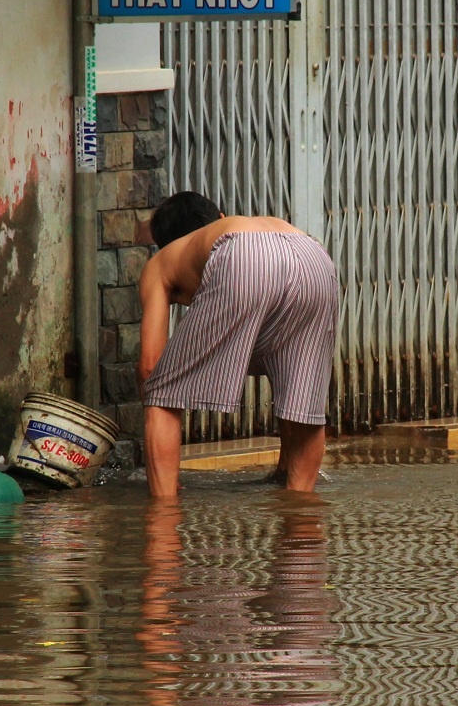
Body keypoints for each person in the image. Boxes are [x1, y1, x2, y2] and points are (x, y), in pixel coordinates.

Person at [138, 192, 340, 502]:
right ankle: (300, 515)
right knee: (302, 405)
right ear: (218, 216)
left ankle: (163, 518)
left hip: (244, 257)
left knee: (161, 393)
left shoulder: (164, 259)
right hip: (314, 257)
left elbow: (150, 366)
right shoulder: (237, 226)